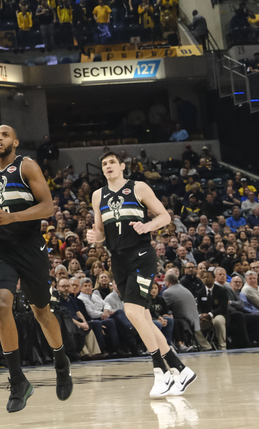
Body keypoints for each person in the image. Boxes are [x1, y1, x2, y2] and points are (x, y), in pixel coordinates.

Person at [0, 124, 71, 411]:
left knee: (42, 313)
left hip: (30, 247)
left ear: (15, 142)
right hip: (0, 248)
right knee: (1, 304)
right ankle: (17, 381)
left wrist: (13, 217)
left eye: (4, 135)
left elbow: (48, 207)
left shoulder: (27, 166)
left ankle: (61, 362)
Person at [87, 152, 196, 397]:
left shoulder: (138, 187)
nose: (108, 166)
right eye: (104, 164)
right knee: (143, 317)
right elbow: (101, 232)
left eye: (112, 162)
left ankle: (161, 371)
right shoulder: (97, 195)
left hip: (141, 254)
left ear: (122, 166)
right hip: (117, 259)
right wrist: (95, 237)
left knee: (133, 312)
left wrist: (147, 226)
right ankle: (180, 369)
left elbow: (164, 216)